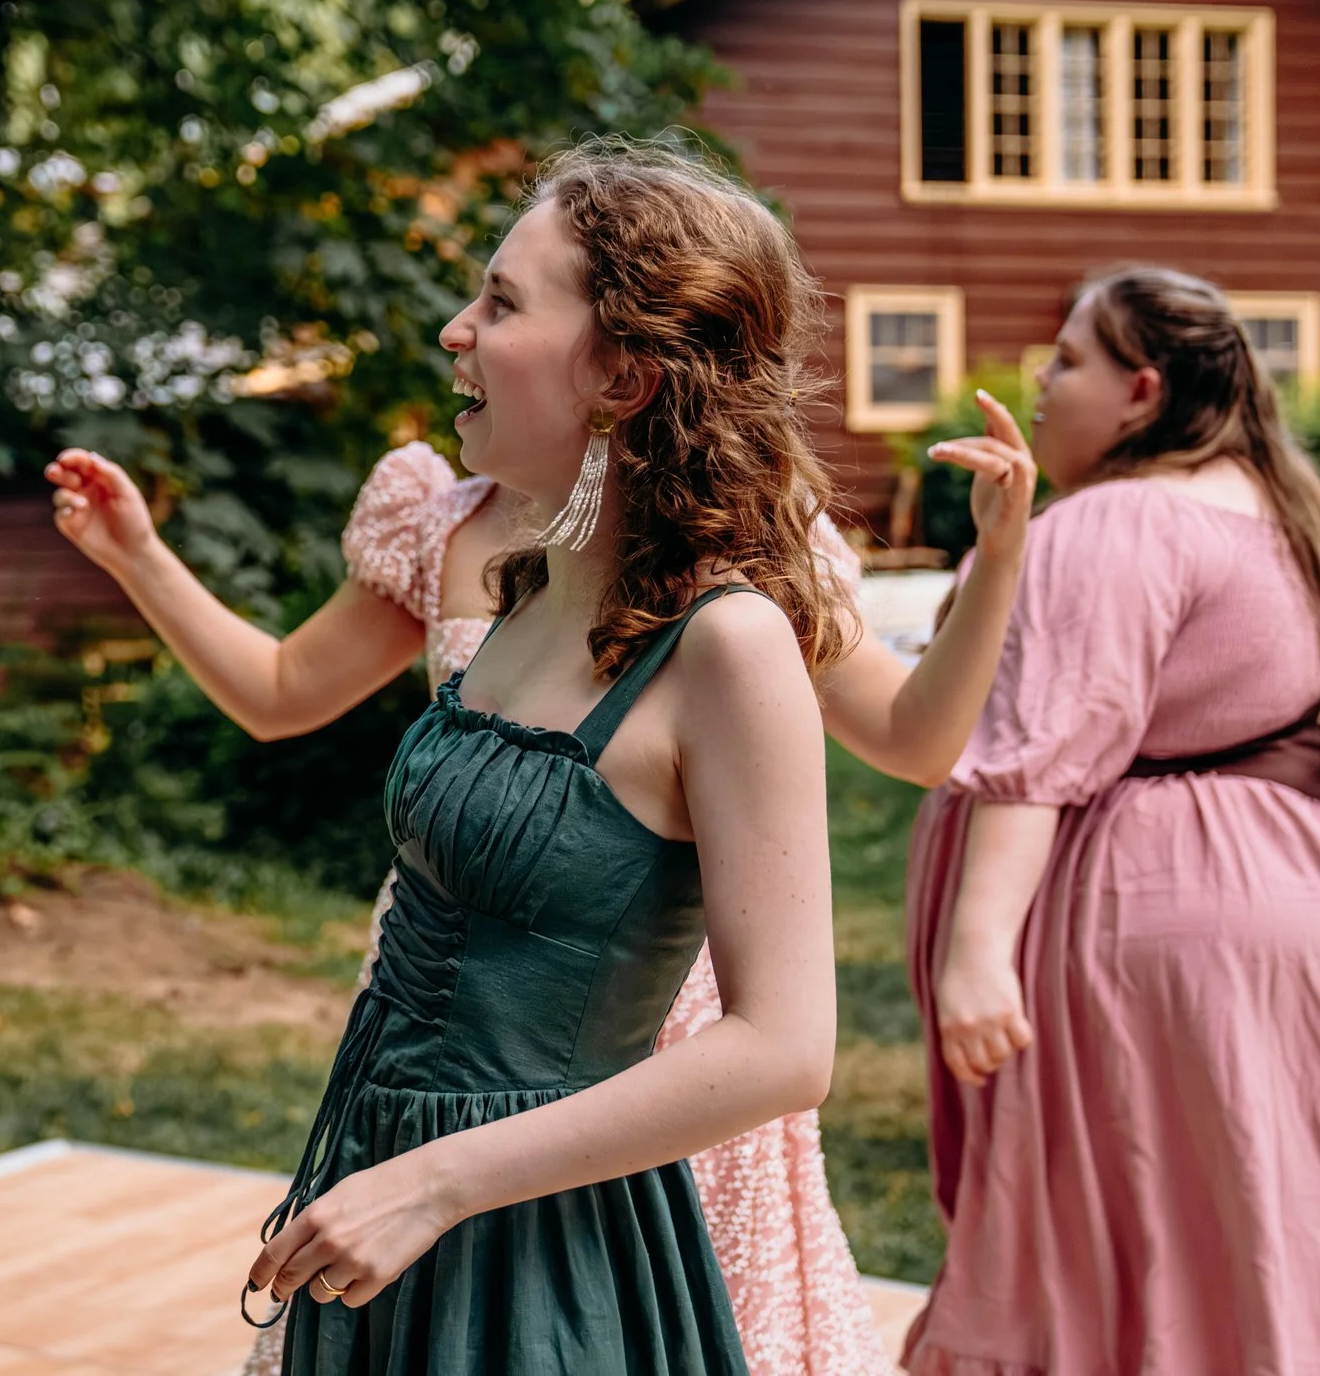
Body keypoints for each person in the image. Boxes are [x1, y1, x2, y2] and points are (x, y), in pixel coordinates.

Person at [50, 402, 1030, 1373]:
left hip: (674, 1022)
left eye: (507, 303)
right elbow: (278, 689)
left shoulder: (745, 546)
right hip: (444, 1011)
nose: (460, 335)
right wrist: (137, 553)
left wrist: (994, 561)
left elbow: (913, 737)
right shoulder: (444, 521)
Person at [170, 137, 843, 1375]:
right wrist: (389, 1180)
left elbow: (785, 1045)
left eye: (501, 301)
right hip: (384, 1198)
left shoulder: (726, 646)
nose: (453, 331)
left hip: (543, 1244)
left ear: (625, 375)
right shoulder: (527, 597)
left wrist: (435, 1183)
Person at [906, 265, 1320, 1376]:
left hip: (1181, 930)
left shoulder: (1116, 522)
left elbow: (1041, 747)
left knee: (1167, 1234)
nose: (1041, 375)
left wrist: (976, 952)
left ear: (1140, 391)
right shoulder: (1277, 506)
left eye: (1068, 356)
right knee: (1294, 1221)